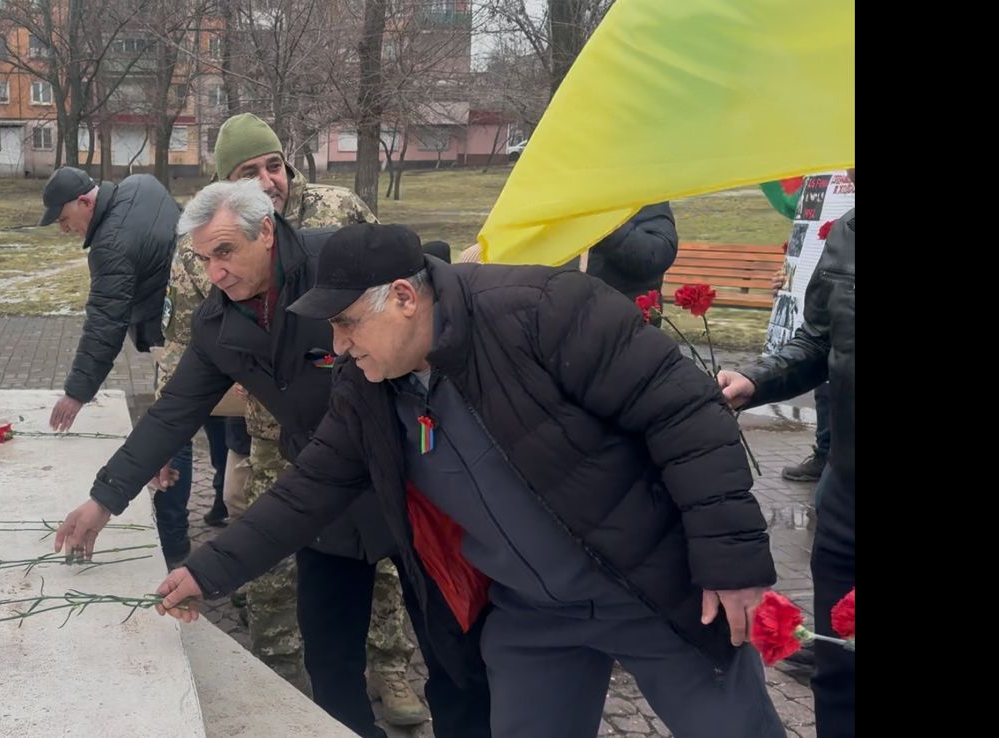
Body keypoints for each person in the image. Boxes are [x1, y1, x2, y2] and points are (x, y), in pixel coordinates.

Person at [156, 223, 785, 738]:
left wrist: (731, 562)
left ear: (404, 297)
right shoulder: (369, 386)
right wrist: (206, 573)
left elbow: (686, 413)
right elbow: (309, 486)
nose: (339, 346)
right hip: (535, 616)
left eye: (348, 323)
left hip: (651, 589)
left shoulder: (545, 311)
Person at [58, 182, 486, 737]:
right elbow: (174, 412)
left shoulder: (334, 267)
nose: (216, 272)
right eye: (204, 258)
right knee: (329, 657)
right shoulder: (220, 324)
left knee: (453, 650)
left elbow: (428, 293)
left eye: (226, 252)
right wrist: (104, 499)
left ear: (265, 231)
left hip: (417, 488)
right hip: (322, 494)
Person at [719, 173, 854, 738]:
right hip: (847, 506)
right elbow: (819, 342)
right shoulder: (848, 233)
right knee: (840, 674)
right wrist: (756, 379)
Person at [37, 166, 183, 558]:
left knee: (171, 431)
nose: (66, 230)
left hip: (180, 335)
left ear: (86, 202)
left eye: (66, 220)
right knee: (223, 427)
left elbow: (104, 325)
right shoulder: (141, 183)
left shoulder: (111, 245)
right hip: (205, 313)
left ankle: (173, 540)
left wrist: (76, 394)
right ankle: (222, 507)